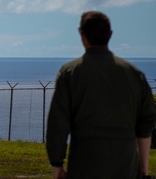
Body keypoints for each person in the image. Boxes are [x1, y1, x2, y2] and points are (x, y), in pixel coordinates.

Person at [46, 11, 155, 179]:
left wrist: (57, 164)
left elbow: (57, 124)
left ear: (82, 35)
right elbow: (146, 124)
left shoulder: (70, 73)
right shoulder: (134, 74)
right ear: (110, 35)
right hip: (126, 165)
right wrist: (144, 171)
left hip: (84, 165)